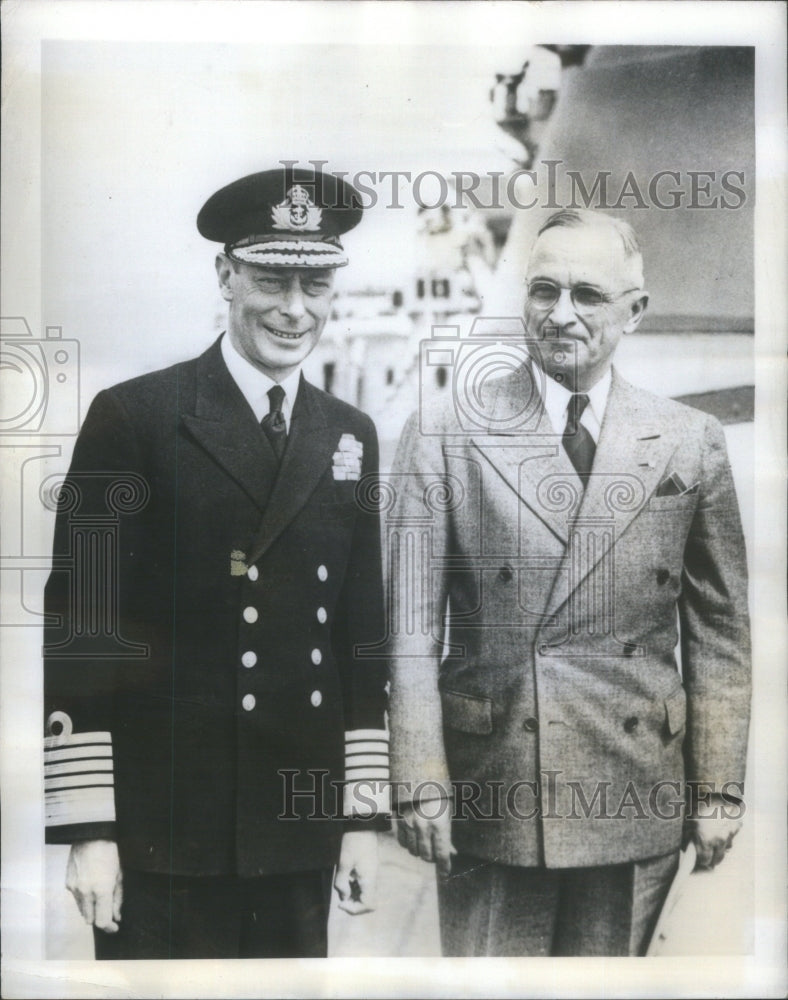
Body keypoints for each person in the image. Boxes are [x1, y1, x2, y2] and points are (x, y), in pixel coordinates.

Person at [43, 167, 389, 959]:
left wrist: (361, 818)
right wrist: (90, 830)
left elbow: (360, 639)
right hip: (165, 829)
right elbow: (84, 633)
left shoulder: (349, 433)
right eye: (272, 279)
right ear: (226, 275)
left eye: (316, 284)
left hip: (296, 826)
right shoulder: (134, 418)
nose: (295, 310)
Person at [388, 208, 751, 956]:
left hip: (636, 790)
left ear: (634, 312)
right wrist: (420, 777)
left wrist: (717, 787)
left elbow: (719, 636)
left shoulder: (689, 441)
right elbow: (408, 630)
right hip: (496, 789)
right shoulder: (444, 432)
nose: (560, 315)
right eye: (543, 291)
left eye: (587, 295)